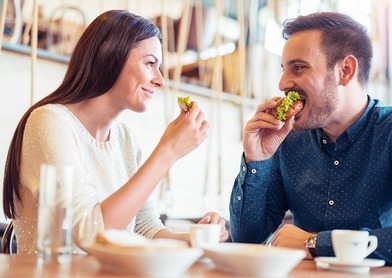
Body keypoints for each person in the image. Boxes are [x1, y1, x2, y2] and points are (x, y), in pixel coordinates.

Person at [2, 10, 229, 254]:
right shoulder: (49, 122)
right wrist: (168, 152)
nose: (160, 80)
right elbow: (90, 233)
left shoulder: (125, 139)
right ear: (111, 55)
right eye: (150, 63)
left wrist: (199, 237)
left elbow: (145, 229)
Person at [229, 11, 392, 267]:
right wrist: (256, 160)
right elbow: (246, 243)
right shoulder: (288, 139)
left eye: (298, 67)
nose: (283, 83)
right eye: (284, 69)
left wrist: (316, 243)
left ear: (345, 70)